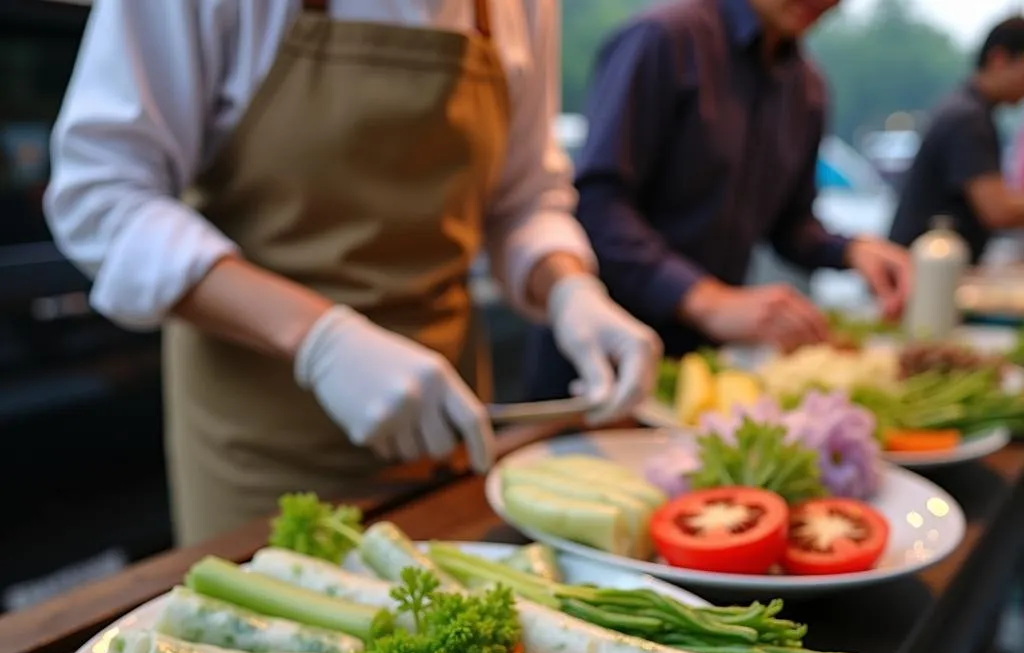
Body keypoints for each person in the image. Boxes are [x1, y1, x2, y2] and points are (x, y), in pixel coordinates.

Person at [45, 0, 661, 545]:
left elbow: (522, 199)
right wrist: (322, 341)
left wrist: (569, 289)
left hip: (449, 428)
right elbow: (102, 198)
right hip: (261, 450)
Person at [526, 0, 910, 399]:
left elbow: (790, 224)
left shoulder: (807, 87)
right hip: (595, 361)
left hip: (703, 371)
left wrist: (853, 251)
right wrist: (707, 300)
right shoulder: (664, 38)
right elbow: (598, 205)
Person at [890, 17, 1024, 263]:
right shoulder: (968, 118)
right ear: (999, 59)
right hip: (923, 274)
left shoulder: (969, 109)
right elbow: (997, 210)